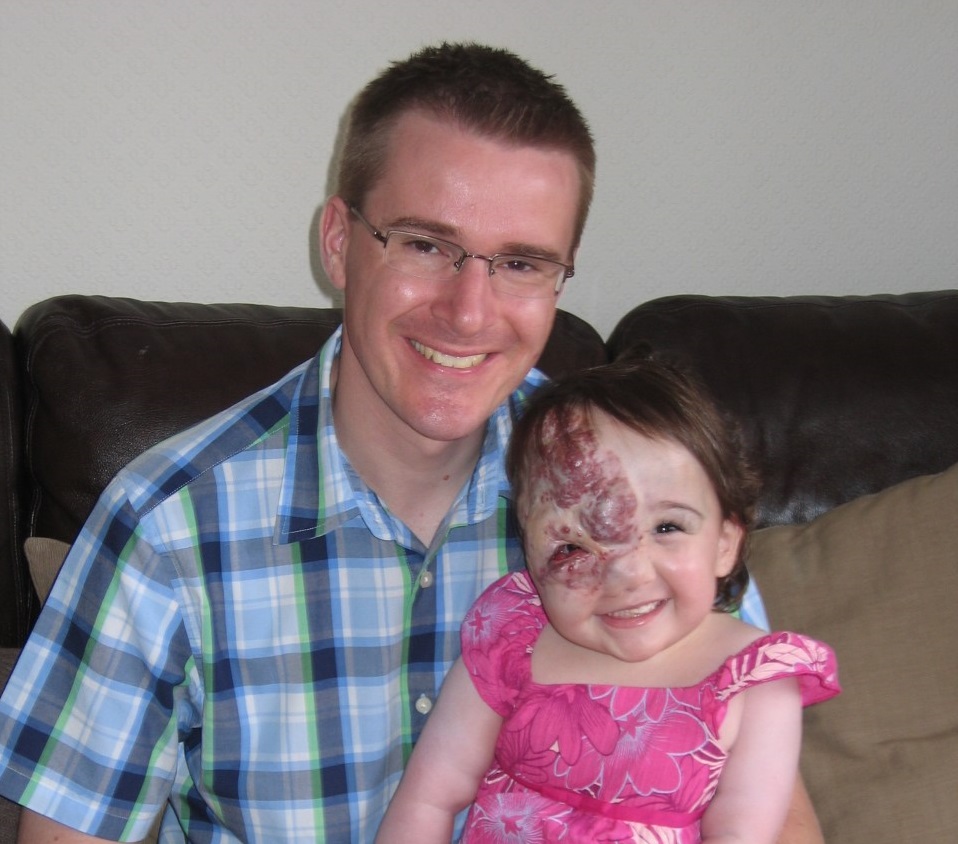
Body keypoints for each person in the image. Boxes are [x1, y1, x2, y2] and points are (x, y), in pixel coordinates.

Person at [0, 43, 822, 843]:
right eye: (426, 245)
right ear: (337, 242)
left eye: (522, 263)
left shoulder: (651, 493)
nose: (470, 312)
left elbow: (772, 814)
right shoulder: (170, 528)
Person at [376, 358, 840, 843]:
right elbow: (429, 797)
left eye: (667, 527)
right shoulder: (512, 637)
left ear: (726, 542)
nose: (626, 574)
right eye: (573, 547)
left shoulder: (757, 682)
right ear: (531, 558)